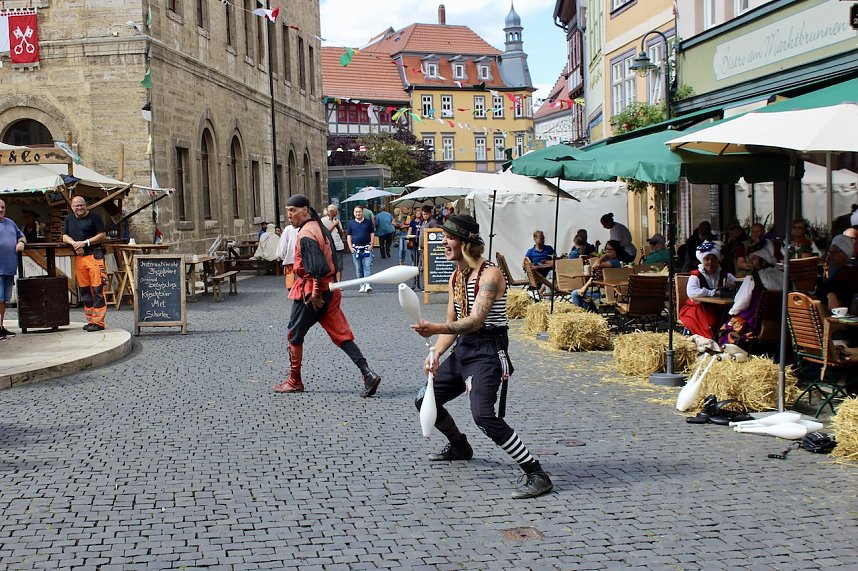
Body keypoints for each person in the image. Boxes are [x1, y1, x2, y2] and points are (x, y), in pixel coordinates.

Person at [411, 214, 553, 499]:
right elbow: (453, 320)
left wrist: (435, 328)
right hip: (463, 350)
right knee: (424, 397)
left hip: (488, 351)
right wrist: (436, 353)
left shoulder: (490, 275)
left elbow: (476, 321)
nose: (443, 243)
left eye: (449, 238)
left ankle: (536, 473)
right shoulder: (455, 276)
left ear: (465, 243)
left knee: (484, 416)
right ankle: (460, 446)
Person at [272, 194, 382, 397]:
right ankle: (367, 373)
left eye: (293, 210)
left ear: (304, 210)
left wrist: (314, 294)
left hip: (314, 293)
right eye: (287, 211)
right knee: (341, 335)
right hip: (330, 290)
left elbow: (317, 268)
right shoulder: (318, 227)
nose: (289, 215)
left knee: (293, 335)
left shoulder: (306, 233)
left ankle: (294, 381)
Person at [719, 248, 783, 347]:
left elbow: (740, 303)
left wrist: (732, 311)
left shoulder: (752, 278)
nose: (750, 262)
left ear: (764, 260)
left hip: (754, 323)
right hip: (779, 322)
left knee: (727, 326)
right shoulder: (783, 276)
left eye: (754, 259)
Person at [62, 195, 108, 331]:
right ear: (72, 207)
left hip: (94, 256)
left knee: (97, 289)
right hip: (79, 258)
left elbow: (102, 235)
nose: (79, 207)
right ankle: (90, 320)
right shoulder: (69, 219)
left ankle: (98, 322)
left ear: (85, 205)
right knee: (85, 290)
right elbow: (64, 236)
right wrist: (75, 244)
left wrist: (85, 242)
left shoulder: (94, 218)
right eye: (76, 205)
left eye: (81, 205)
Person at [679, 241, 738, 340]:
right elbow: (692, 293)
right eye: (707, 259)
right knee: (711, 322)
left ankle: (725, 340)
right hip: (700, 307)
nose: (710, 262)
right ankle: (711, 340)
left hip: (719, 307)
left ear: (717, 260)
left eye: (713, 259)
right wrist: (713, 292)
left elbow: (737, 283)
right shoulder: (696, 275)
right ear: (702, 260)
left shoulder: (723, 274)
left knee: (730, 319)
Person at [571, 240, 623, 311]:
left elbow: (595, 265)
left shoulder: (614, 262)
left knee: (575, 294)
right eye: (607, 249)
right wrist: (584, 287)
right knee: (581, 294)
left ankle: (582, 313)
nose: (609, 251)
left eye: (611, 250)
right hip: (602, 290)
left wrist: (604, 256)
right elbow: (594, 276)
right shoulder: (609, 262)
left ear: (616, 251)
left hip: (607, 293)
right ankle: (590, 312)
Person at [0, 199, 26, 338]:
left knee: (3, 299)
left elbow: (22, 236)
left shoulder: (10, 222)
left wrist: (21, 242)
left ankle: (0, 326)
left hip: (8, 269)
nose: (0, 209)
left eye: (2, 207)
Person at [346, 206, 375, 293]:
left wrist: (372, 245)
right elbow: (349, 236)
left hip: (366, 248)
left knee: (367, 266)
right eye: (356, 212)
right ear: (354, 213)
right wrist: (350, 247)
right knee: (358, 268)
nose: (358, 213)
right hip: (356, 249)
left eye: (359, 212)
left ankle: (367, 284)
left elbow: (372, 233)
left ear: (362, 212)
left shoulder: (368, 222)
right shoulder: (351, 223)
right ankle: (361, 285)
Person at [322, 204, 346, 283]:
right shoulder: (323, 220)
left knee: (339, 265)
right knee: (330, 265)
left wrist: (338, 227)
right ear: (331, 212)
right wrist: (334, 224)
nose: (337, 212)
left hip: (338, 245)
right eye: (336, 211)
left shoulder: (337, 220)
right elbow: (326, 232)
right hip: (329, 246)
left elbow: (341, 234)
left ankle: (339, 283)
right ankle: (331, 282)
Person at [276, 221, 299, 289]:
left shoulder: (288, 229)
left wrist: (282, 256)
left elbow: (282, 245)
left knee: (291, 284)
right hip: (303, 260)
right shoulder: (308, 227)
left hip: (290, 259)